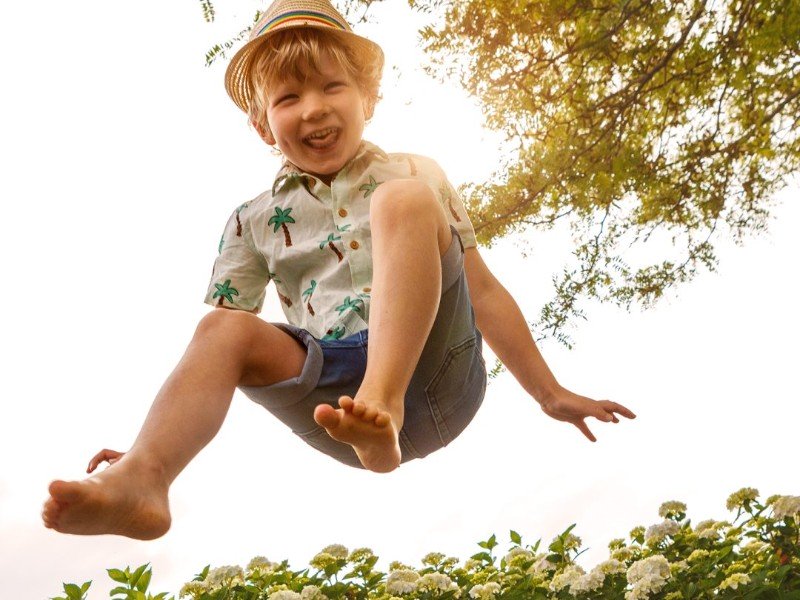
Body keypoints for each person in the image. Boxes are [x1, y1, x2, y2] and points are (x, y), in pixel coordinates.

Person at [42, 0, 635, 540]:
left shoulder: (417, 173)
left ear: (367, 99)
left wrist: (548, 392)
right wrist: (152, 440)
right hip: (335, 400)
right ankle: (146, 478)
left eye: (332, 87)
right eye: (288, 99)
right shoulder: (252, 221)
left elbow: (481, 290)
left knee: (401, 200)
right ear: (262, 124)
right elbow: (212, 364)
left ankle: (387, 403)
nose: (315, 109)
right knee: (219, 329)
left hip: (436, 368)